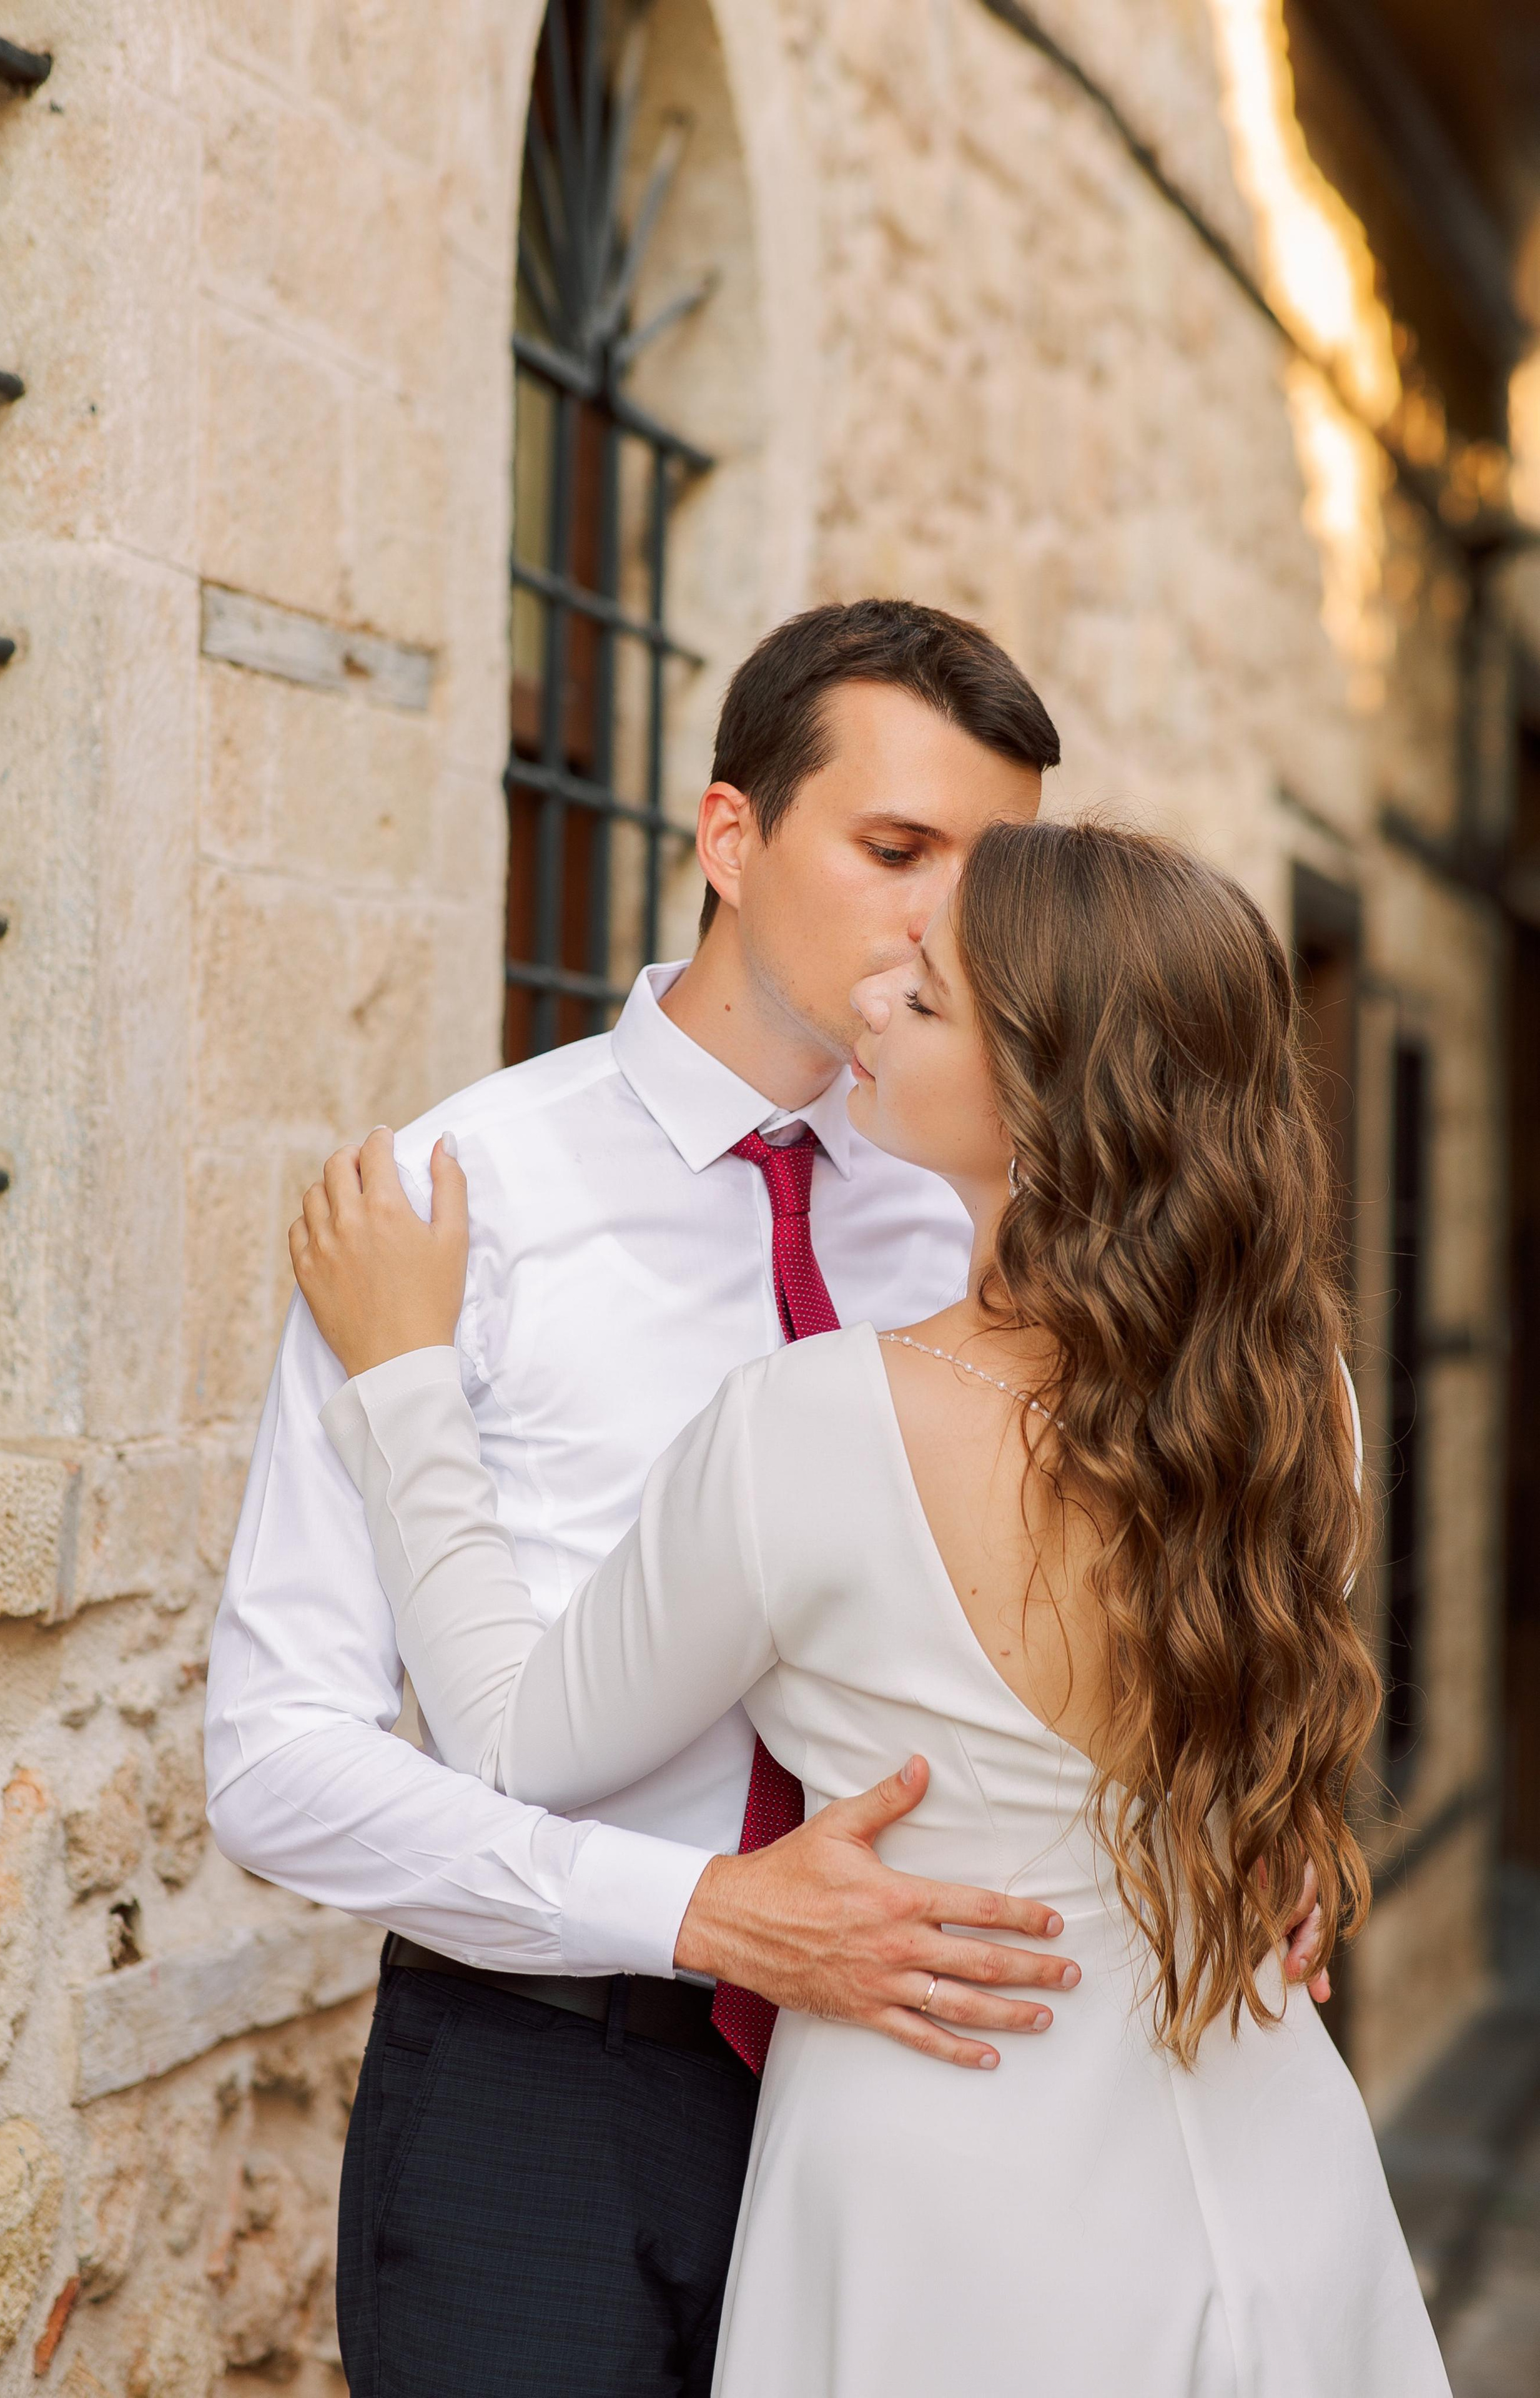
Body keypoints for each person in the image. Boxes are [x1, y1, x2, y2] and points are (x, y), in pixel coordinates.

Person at [207, 600, 1323, 2396]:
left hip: (970, 2098)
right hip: (551, 2094)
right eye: (897, 851)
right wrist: (700, 1916)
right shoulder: (454, 1201)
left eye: (989, 870)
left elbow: (1180, 1579)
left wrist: (1239, 1829)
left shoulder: (1005, 1210)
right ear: (730, 838)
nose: (943, 921)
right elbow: (276, 1761)